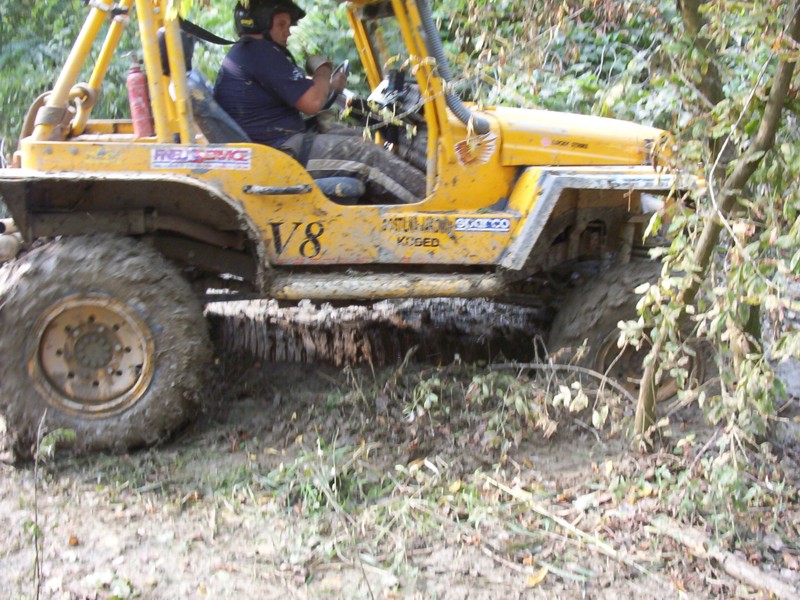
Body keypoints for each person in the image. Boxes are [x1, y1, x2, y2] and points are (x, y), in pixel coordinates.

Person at [213, 0, 426, 204]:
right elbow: (313, 102)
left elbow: (304, 94)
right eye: (281, 24)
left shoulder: (249, 54)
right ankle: (436, 208)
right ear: (261, 22)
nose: (288, 31)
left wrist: (330, 86)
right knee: (367, 154)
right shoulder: (260, 53)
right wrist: (322, 68)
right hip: (281, 156)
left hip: (278, 146)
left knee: (360, 138)